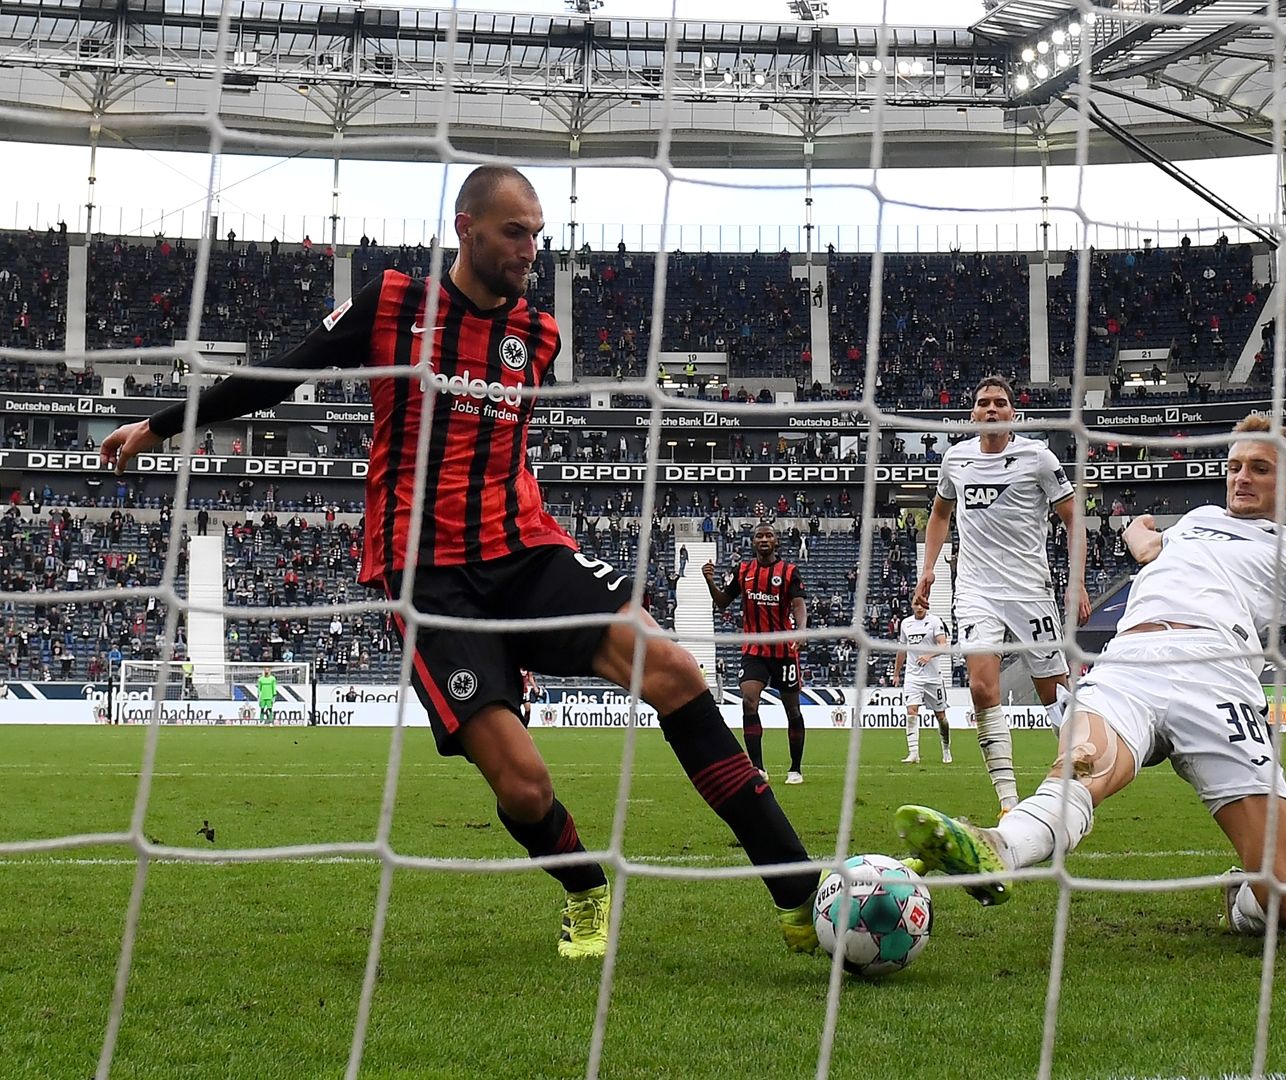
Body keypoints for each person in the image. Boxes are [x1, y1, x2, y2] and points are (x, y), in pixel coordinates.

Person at [98, 165, 820, 961]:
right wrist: (161, 426)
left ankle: (799, 895)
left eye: (537, 234)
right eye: (515, 232)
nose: (529, 249)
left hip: (526, 550)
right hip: (428, 576)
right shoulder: (391, 304)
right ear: (466, 226)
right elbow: (277, 376)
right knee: (524, 785)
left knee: (676, 671)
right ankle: (584, 886)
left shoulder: (538, 336)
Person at [897, 414, 1286, 932]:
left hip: (1221, 679)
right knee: (1085, 762)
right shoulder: (1193, 522)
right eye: (1236, 466)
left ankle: (1241, 895)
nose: (1241, 477)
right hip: (1132, 660)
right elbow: (1146, 545)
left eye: (1260, 469)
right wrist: (1139, 531)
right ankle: (1002, 849)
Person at [915, 375, 1089, 814]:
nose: (991, 409)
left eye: (999, 403)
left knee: (1054, 693)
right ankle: (1009, 803)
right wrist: (929, 569)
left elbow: (1074, 521)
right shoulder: (956, 459)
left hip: (1030, 588)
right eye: (983, 403)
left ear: (1013, 412)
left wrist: (1078, 580)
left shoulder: (1038, 457)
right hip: (975, 589)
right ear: (972, 413)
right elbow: (939, 515)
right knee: (980, 687)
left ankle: (1079, 784)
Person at [704, 523, 809, 784]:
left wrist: (801, 631)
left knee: (792, 710)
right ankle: (758, 768)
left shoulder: (789, 572)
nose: (764, 539)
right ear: (753, 542)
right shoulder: (743, 571)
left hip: (784, 650)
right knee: (749, 700)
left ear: (776, 541)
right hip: (754, 650)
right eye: (759, 536)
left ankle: (795, 768)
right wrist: (709, 581)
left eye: (769, 535)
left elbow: (798, 604)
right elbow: (722, 602)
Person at [894, 597, 952, 765]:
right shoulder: (906, 623)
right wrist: (897, 673)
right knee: (911, 710)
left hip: (933, 677)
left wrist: (929, 655)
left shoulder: (935, 622)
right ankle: (913, 753)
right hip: (913, 675)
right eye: (916, 604)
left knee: (941, 716)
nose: (919, 608)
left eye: (922, 605)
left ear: (927, 606)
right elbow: (902, 650)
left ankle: (946, 749)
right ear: (912, 606)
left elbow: (943, 645)